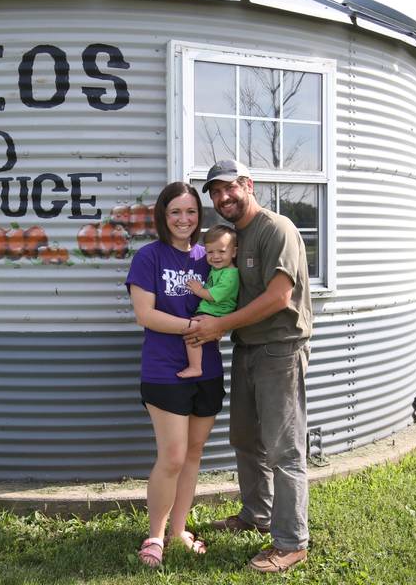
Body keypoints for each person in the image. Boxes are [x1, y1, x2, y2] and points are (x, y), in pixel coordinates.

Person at [184, 160, 313, 573]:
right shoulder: (233, 238)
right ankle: (256, 515)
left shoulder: (277, 229)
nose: (222, 198)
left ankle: (291, 542)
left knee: (284, 448)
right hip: (246, 349)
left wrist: (218, 325)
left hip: (280, 349)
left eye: (228, 188)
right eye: (215, 193)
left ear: (247, 185)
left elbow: (278, 297)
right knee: (245, 438)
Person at [125, 182, 226, 568]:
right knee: (172, 456)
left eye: (191, 212)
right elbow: (145, 315)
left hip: (208, 370)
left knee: (194, 454)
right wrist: (193, 326)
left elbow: (226, 300)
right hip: (164, 370)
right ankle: (155, 536)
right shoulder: (149, 257)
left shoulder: (209, 257)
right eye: (175, 213)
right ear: (163, 217)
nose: (184, 220)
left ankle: (179, 530)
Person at [177, 225, 239, 379]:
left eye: (221, 251)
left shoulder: (231, 275)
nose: (215, 256)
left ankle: (195, 367)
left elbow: (213, 295)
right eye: (210, 252)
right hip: (213, 311)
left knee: (192, 334)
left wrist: (197, 289)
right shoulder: (218, 269)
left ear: (234, 252)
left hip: (215, 312)